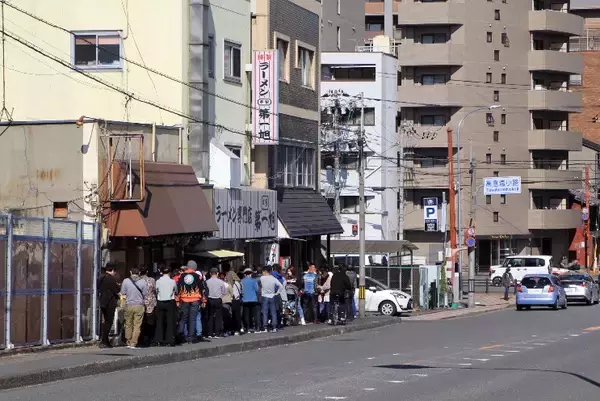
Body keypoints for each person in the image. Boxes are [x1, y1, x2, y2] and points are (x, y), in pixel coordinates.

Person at [120, 266, 149, 349]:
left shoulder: (126, 281)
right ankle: (133, 343)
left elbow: (123, 292)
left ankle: (128, 341)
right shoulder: (143, 282)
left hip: (129, 304)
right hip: (139, 305)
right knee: (137, 325)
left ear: (130, 272)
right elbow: (145, 293)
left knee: (128, 324)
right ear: (139, 273)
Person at [177, 260, 205, 344]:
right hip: (195, 299)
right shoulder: (198, 277)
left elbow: (179, 289)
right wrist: (203, 300)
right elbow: (202, 289)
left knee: (183, 319)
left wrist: (177, 300)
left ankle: (181, 336)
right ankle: (191, 338)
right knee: (192, 319)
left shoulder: (182, 276)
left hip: (184, 299)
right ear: (195, 267)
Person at [97, 263, 120, 348]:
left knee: (106, 321)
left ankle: (105, 340)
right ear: (112, 270)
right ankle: (104, 341)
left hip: (103, 301)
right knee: (109, 322)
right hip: (109, 302)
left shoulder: (101, 277)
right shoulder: (110, 279)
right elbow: (117, 289)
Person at [154, 264, 178, 346]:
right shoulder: (172, 281)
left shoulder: (158, 281)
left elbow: (156, 291)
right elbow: (176, 291)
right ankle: (169, 340)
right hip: (170, 301)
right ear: (169, 272)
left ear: (161, 272)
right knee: (170, 321)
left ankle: (159, 339)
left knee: (159, 321)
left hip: (160, 301)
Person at [259, 265, 281, 332]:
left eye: (263, 271)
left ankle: (265, 327)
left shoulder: (262, 278)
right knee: (273, 312)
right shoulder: (273, 278)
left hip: (264, 296)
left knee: (265, 312)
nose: (262, 272)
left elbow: (258, 284)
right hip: (272, 296)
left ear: (265, 271)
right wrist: (277, 293)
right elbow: (280, 286)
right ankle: (274, 327)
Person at [206, 268, 227, 338]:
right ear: (217, 273)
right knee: (218, 316)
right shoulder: (221, 282)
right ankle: (217, 333)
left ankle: (210, 333)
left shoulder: (207, 282)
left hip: (209, 299)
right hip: (218, 299)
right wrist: (220, 296)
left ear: (210, 273)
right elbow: (224, 292)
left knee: (210, 316)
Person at [140, 265, 157, 346]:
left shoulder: (138, 280)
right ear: (147, 271)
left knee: (141, 321)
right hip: (151, 303)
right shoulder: (152, 280)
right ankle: (150, 338)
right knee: (150, 321)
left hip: (141, 302)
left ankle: (141, 338)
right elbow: (155, 290)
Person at [241, 267, 260, 333]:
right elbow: (257, 289)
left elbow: (241, 290)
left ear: (245, 274)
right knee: (254, 314)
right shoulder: (254, 280)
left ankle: (247, 327)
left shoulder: (242, 281)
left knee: (246, 314)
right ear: (251, 274)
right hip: (253, 299)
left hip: (245, 299)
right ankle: (255, 327)